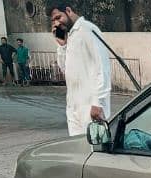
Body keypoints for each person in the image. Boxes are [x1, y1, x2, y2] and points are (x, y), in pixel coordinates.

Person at [47, 2, 111, 136]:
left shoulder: (87, 29)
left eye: (58, 17)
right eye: (53, 21)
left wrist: (98, 102)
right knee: (78, 152)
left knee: (95, 152)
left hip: (92, 109)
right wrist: (62, 46)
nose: (56, 23)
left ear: (68, 11)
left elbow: (103, 66)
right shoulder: (69, 35)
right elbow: (64, 68)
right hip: (74, 109)